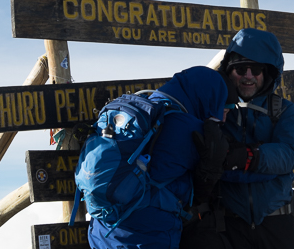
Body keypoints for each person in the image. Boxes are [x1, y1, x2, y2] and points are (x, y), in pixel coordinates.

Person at [181, 28, 294, 249]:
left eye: (256, 69)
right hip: (228, 226)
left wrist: (248, 158)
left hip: (278, 224)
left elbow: (289, 155)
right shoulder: (215, 110)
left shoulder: (284, 111)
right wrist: (260, 166)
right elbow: (209, 163)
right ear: (228, 71)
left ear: (268, 72)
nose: (248, 76)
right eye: (240, 69)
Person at [88, 66, 236, 249]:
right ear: (208, 97)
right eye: (224, 110)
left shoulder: (145, 109)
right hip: (145, 237)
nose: (223, 119)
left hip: (103, 232)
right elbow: (207, 187)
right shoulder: (191, 130)